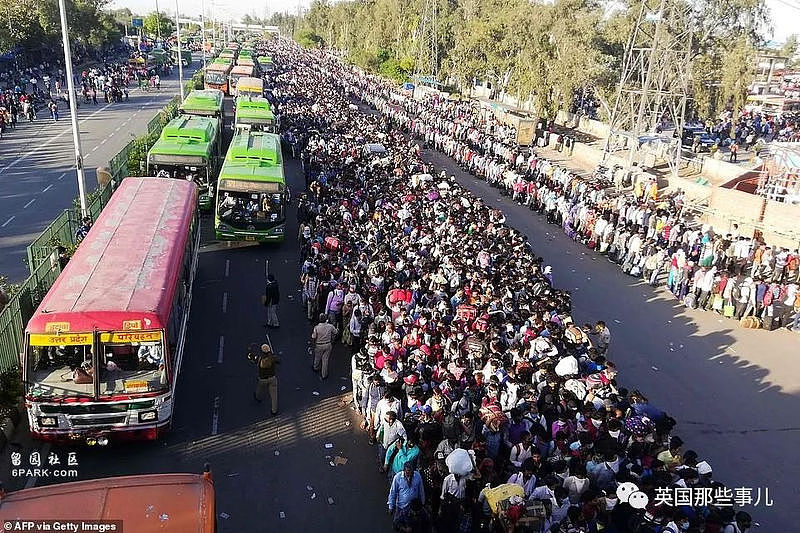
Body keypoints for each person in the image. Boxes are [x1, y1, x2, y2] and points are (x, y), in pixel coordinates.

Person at [387, 463, 425, 529]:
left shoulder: (417, 476)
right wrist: (391, 505)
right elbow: (393, 492)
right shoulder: (397, 477)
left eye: (411, 471)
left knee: (413, 525)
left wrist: (422, 502)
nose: (410, 473)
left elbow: (421, 490)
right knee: (397, 524)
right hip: (401, 506)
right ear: (404, 470)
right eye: (408, 471)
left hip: (413, 508)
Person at [250, 343, 280, 415]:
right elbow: (279, 361)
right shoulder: (272, 358)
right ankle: (274, 410)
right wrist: (274, 356)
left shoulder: (259, 359)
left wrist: (250, 353)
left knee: (260, 389)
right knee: (274, 395)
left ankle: (258, 397)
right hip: (272, 378)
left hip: (263, 379)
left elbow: (252, 358)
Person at [311, 313, 337, 379]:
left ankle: (316, 367)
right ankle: (324, 374)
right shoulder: (330, 326)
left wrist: (314, 345)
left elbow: (314, 337)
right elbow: (335, 332)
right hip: (328, 344)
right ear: (326, 319)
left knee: (317, 357)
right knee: (325, 360)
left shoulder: (316, 328)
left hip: (319, 345)